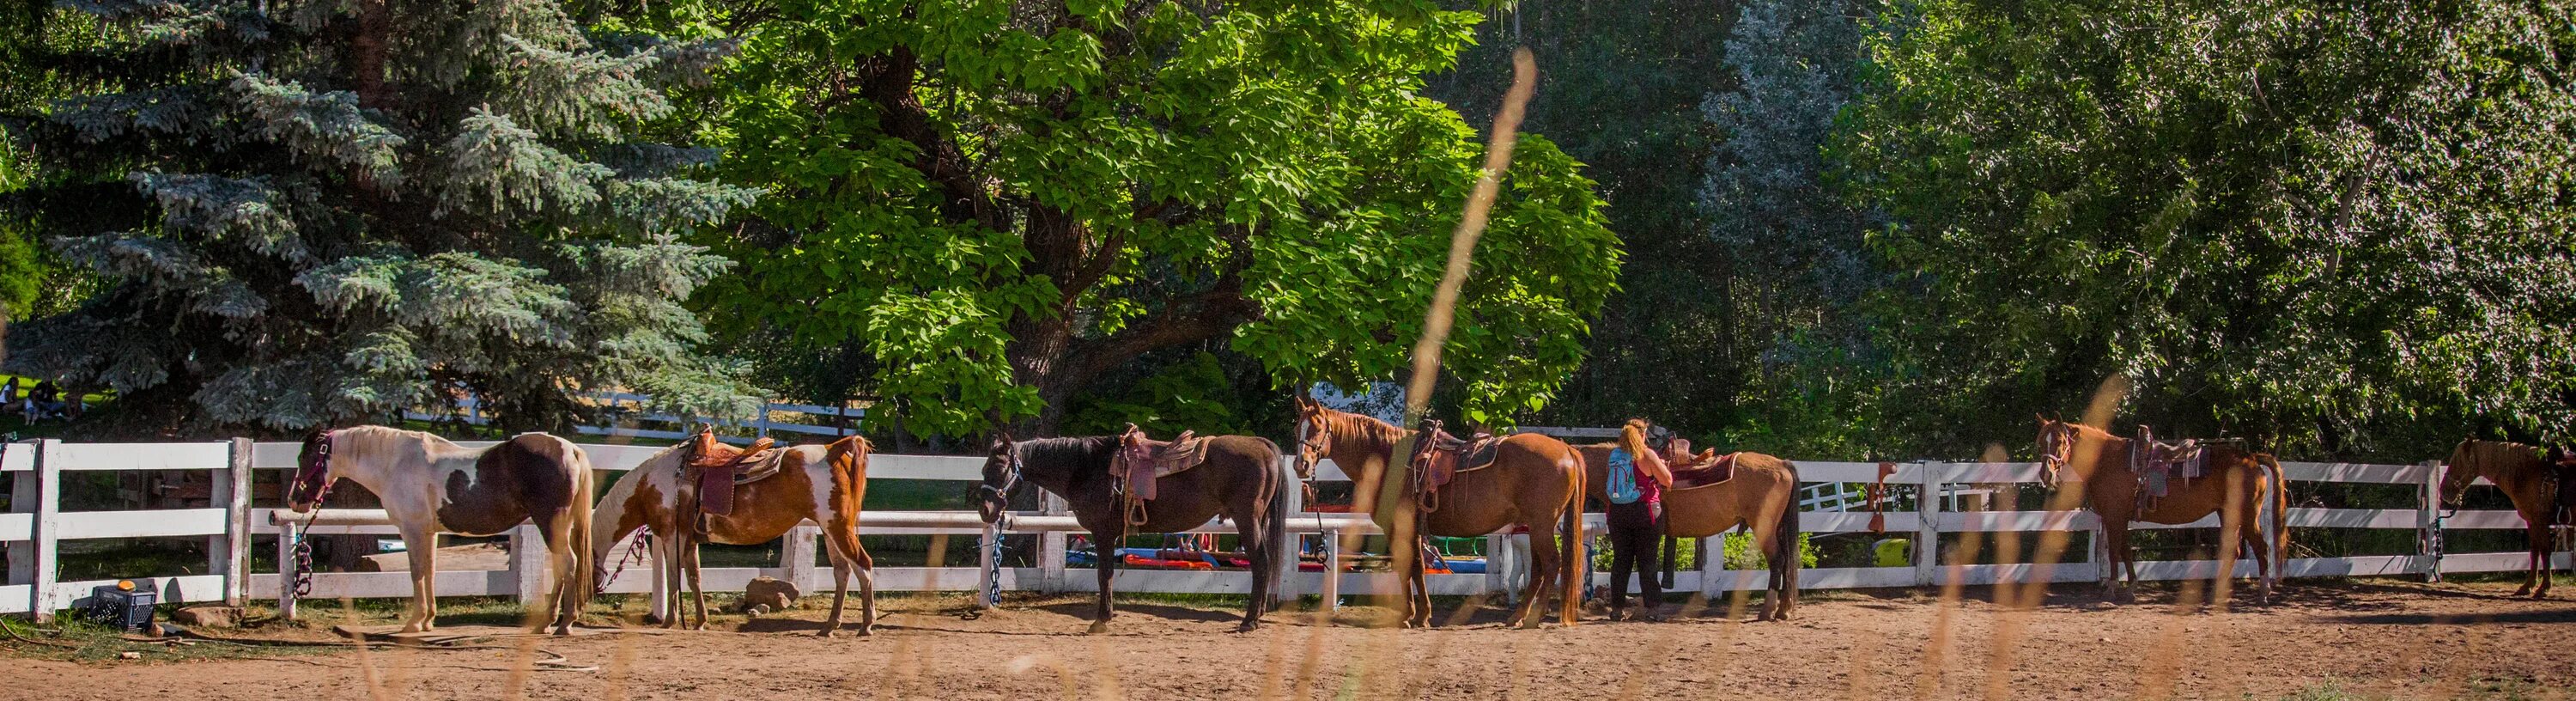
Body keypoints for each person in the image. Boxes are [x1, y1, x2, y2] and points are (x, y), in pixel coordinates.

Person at [1605, 418, 1675, 621]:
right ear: (1643, 435)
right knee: (1647, 562)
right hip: (1645, 513)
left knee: (1621, 562)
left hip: (1618, 514)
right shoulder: (1647, 455)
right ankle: (1652, 609)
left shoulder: (1615, 456)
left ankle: (1617, 609)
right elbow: (1667, 480)